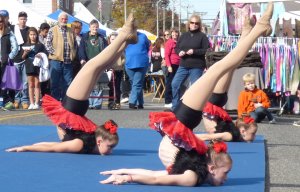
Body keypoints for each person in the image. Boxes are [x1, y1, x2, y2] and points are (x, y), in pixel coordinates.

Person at [100, 2, 274, 186]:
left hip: (185, 119)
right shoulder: (195, 171)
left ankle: (254, 31)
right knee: (224, 68)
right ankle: (250, 33)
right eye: (227, 173)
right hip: (186, 122)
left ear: (212, 169)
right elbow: (156, 174)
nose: (226, 178)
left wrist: (125, 175)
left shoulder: (191, 177)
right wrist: (125, 173)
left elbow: (156, 177)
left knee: (222, 67)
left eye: (225, 173)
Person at [5, 12, 138, 154]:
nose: (111, 152)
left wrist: (26, 147)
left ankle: (126, 41)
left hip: (76, 108)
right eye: (110, 147)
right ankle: (124, 35)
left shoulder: (84, 143)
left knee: (98, 67)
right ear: (99, 141)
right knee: (93, 66)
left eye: (111, 147)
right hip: (73, 106)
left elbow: (51, 146)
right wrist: (27, 147)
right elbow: (52, 147)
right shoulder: (79, 145)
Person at [171, 14, 210, 111]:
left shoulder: (202, 36)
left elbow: (207, 50)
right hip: (183, 65)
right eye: (192, 23)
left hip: (197, 66)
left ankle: (195, 108)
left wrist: (195, 51)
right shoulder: (183, 36)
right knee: (175, 84)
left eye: (197, 23)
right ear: (189, 24)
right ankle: (176, 106)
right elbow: (177, 48)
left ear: (199, 25)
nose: (194, 25)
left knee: (195, 87)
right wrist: (179, 52)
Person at [45, 11, 76, 101]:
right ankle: (56, 101)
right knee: (55, 83)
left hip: (68, 61)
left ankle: (65, 102)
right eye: (62, 18)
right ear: (58, 19)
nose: (64, 20)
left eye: (65, 19)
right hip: (56, 61)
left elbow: (75, 45)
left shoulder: (71, 30)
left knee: (68, 83)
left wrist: (73, 54)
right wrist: (55, 53)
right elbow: (47, 44)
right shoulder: (52, 29)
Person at [22, 27, 48, 110]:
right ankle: (31, 103)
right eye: (31, 35)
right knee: (30, 85)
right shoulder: (25, 45)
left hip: (37, 67)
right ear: (28, 35)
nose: (33, 36)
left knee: (37, 85)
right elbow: (22, 57)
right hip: (29, 66)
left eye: (34, 34)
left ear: (37, 35)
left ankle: (37, 102)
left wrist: (40, 56)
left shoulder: (40, 45)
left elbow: (45, 55)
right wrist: (25, 52)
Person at [125, 32, 150, 109]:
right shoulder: (126, 36)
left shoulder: (143, 36)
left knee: (137, 84)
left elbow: (147, 47)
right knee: (135, 83)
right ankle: (140, 102)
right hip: (129, 63)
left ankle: (132, 102)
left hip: (141, 63)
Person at [11, 11, 30, 110]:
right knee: (16, 81)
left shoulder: (29, 30)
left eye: (24, 19)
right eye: (21, 19)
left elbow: (32, 43)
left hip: (25, 58)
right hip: (15, 59)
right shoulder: (13, 29)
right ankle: (17, 100)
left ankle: (25, 100)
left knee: (25, 82)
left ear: (26, 20)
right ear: (18, 20)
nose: (23, 21)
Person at [0, 15, 18, 108]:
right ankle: (5, 100)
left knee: (4, 82)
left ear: (4, 22)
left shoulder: (9, 33)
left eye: (1, 21)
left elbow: (16, 47)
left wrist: (9, 57)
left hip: (4, 61)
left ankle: (5, 101)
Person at [107, 32, 125, 110]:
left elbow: (124, 58)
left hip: (118, 69)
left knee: (117, 86)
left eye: (115, 39)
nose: (113, 40)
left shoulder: (120, 48)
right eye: (112, 39)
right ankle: (110, 101)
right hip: (110, 70)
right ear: (109, 39)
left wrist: (121, 64)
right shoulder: (107, 48)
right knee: (110, 86)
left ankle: (117, 102)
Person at [163, 28, 180, 109]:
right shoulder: (169, 42)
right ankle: (167, 101)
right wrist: (169, 66)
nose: (174, 35)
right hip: (172, 64)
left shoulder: (179, 42)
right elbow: (166, 55)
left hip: (179, 64)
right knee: (170, 83)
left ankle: (175, 99)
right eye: (173, 33)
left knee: (177, 83)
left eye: (176, 33)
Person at [38, 23, 51, 97]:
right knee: (40, 79)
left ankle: (44, 95)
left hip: (46, 61)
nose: (47, 33)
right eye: (46, 32)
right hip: (40, 62)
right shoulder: (38, 38)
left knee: (46, 79)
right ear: (41, 30)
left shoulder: (47, 38)